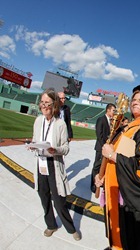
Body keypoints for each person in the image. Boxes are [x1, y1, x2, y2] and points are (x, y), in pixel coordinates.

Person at [98, 85, 140, 249]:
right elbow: (118, 162)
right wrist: (103, 176)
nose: (135, 102)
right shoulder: (127, 128)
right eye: (134, 99)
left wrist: (113, 155)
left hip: (132, 207)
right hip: (119, 199)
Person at [30, 88, 80, 241]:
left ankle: (70, 228)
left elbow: (65, 148)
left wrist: (55, 150)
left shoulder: (60, 125)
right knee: (44, 198)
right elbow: (34, 139)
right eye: (42, 102)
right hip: (40, 164)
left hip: (53, 165)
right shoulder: (38, 120)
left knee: (59, 202)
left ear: (54, 105)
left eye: (48, 103)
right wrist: (33, 146)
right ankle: (51, 225)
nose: (44, 106)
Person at [90, 103, 115, 193]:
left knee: (101, 166)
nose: (114, 112)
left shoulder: (111, 121)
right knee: (96, 166)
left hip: (105, 148)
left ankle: (98, 183)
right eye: (113, 110)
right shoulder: (101, 119)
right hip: (100, 148)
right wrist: (104, 146)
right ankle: (93, 185)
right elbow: (99, 134)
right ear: (108, 110)